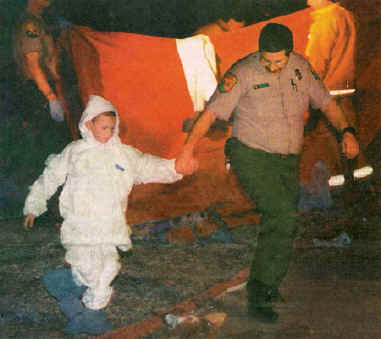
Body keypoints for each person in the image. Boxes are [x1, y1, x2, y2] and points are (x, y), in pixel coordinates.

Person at [175, 23, 359, 323]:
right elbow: (210, 113)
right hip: (250, 154)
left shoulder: (300, 68)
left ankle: (268, 284)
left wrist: (346, 132)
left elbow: (327, 103)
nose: (272, 66)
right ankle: (259, 294)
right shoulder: (243, 72)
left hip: (287, 159)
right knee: (281, 215)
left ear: (290, 53)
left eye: (279, 61)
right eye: (267, 60)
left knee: (285, 220)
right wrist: (186, 150)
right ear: (259, 53)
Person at [23, 95, 183, 334]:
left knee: (108, 269)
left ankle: (89, 314)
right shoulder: (75, 152)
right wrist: (33, 205)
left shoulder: (123, 154)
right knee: (87, 269)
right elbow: (51, 176)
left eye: (112, 128)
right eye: (103, 127)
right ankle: (69, 289)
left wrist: (176, 167)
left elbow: (149, 166)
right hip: (80, 226)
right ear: (88, 125)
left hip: (110, 226)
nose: (108, 133)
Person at [2, 0, 71, 217]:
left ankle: (42, 207)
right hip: (36, 93)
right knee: (43, 150)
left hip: (43, 90)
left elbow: (48, 62)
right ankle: (37, 208)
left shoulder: (39, 22)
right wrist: (50, 97)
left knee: (47, 149)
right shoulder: (30, 24)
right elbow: (33, 65)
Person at [299, 0, 373, 192]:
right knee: (348, 138)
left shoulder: (325, 20)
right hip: (345, 89)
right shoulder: (344, 14)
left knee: (329, 143)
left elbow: (316, 64)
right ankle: (363, 189)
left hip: (328, 93)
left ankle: (343, 194)